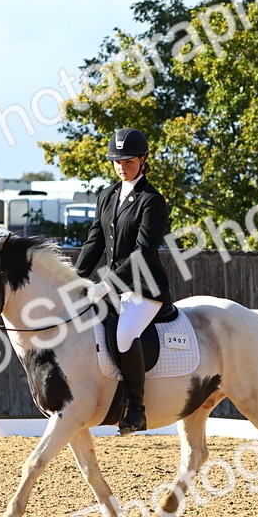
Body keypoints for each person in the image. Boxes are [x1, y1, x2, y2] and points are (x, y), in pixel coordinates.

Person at [74, 127, 173, 435]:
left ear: (143, 160)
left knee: (125, 335)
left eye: (128, 161)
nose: (121, 167)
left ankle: (137, 408)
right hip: (113, 290)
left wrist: (107, 284)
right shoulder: (107, 196)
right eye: (117, 161)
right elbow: (94, 242)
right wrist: (75, 280)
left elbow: (143, 253)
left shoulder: (151, 200)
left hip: (145, 290)